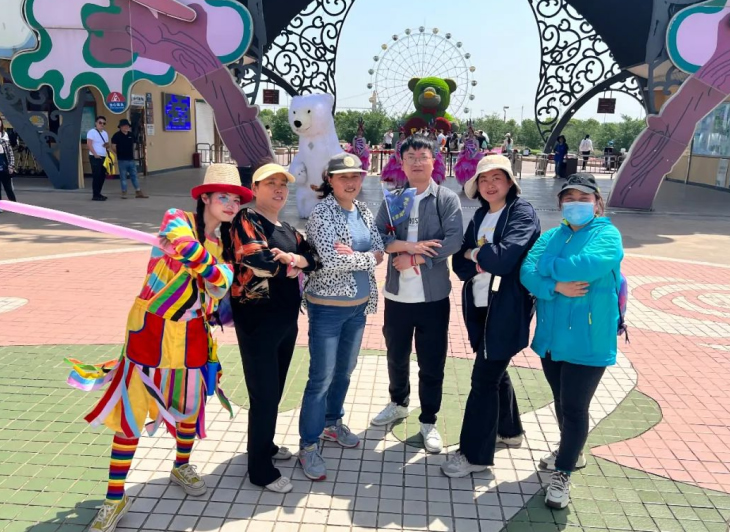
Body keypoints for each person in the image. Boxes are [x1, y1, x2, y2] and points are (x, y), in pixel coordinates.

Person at [69, 164, 252, 532]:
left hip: (193, 336)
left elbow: (220, 286)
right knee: (131, 414)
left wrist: (214, 271)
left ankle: (181, 465)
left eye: (236, 200)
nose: (232, 204)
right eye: (224, 197)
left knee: (189, 407)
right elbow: (192, 255)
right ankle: (114, 498)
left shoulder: (222, 244)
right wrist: (213, 270)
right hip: (150, 331)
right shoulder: (176, 218)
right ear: (205, 197)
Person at [520, 173, 624, 510]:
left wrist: (548, 267)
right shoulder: (552, 235)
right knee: (561, 401)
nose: (576, 204)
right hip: (551, 339)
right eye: (569, 198)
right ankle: (571, 450)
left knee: (576, 407)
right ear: (561, 203)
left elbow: (588, 265)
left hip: (589, 340)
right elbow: (527, 272)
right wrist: (554, 286)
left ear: (597, 203)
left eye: (583, 198)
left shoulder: (607, 235)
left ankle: (563, 473)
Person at [442, 155, 541, 477]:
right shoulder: (481, 215)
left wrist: (475, 254)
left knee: (483, 379)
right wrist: (479, 257)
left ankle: (475, 455)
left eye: (497, 177)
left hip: (507, 307)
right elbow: (460, 266)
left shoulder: (521, 213)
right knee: (493, 365)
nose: (489, 184)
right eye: (483, 179)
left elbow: (504, 260)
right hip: (480, 305)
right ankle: (509, 431)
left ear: (510, 182)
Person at [224, 162, 318, 494]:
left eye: (283, 184)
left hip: (285, 320)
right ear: (255, 188)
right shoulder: (246, 219)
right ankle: (261, 470)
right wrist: (292, 266)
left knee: (274, 391)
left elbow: (314, 258)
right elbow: (258, 260)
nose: (279, 189)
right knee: (263, 394)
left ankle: (264, 445)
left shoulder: (287, 229)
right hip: (257, 321)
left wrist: (295, 260)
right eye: (270, 183)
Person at [371, 135, 464, 453]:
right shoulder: (393, 200)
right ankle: (398, 403)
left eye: (422, 156)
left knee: (431, 362)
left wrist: (416, 258)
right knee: (396, 356)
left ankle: (428, 420)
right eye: (409, 156)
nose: (416, 162)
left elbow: (454, 240)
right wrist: (409, 246)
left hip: (433, 298)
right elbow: (377, 236)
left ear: (434, 160)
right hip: (397, 296)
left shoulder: (445, 199)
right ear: (402, 162)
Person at [298, 153, 385, 481]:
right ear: (330, 180)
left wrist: (361, 256)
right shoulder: (322, 213)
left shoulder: (363, 210)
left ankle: (332, 422)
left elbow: (380, 251)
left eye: (356, 176)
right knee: (321, 377)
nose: (351, 182)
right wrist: (367, 258)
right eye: (343, 176)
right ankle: (308, 444)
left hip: (358, 307)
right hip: (327, 309)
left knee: (345, 371)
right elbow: (332, 260)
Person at [111, 119, 148, 199]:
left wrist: (133, 152)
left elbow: (134, 144)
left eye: (127, 126)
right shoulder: (116, 135)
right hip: (122, 160)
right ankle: (124, 192)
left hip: (131, 159)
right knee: (123, 177)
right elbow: (113, 146)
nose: (126, 127)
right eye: (124, 126)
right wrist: (119, 153)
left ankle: (138, 192)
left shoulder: (131, 135)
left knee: (134, 176)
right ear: (120, 127)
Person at [87, 115, 110, 201]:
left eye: (104, 123)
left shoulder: (105, 133)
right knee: (96, 176)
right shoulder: (92, 132)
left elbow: (105, 144)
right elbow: (89, 144)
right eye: (100, 123)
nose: (102, 124)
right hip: (95, 157)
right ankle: (95, 195)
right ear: (96, 123)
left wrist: (107, 146)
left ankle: (98, 193)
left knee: (102, 176)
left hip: (104, 156)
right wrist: (95, 154)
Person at [0, 117, 17, 207]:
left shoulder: (4, 135)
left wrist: (11, 166)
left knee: (8, 187)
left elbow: (10, 152)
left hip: (4, 163)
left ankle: (14, 205)